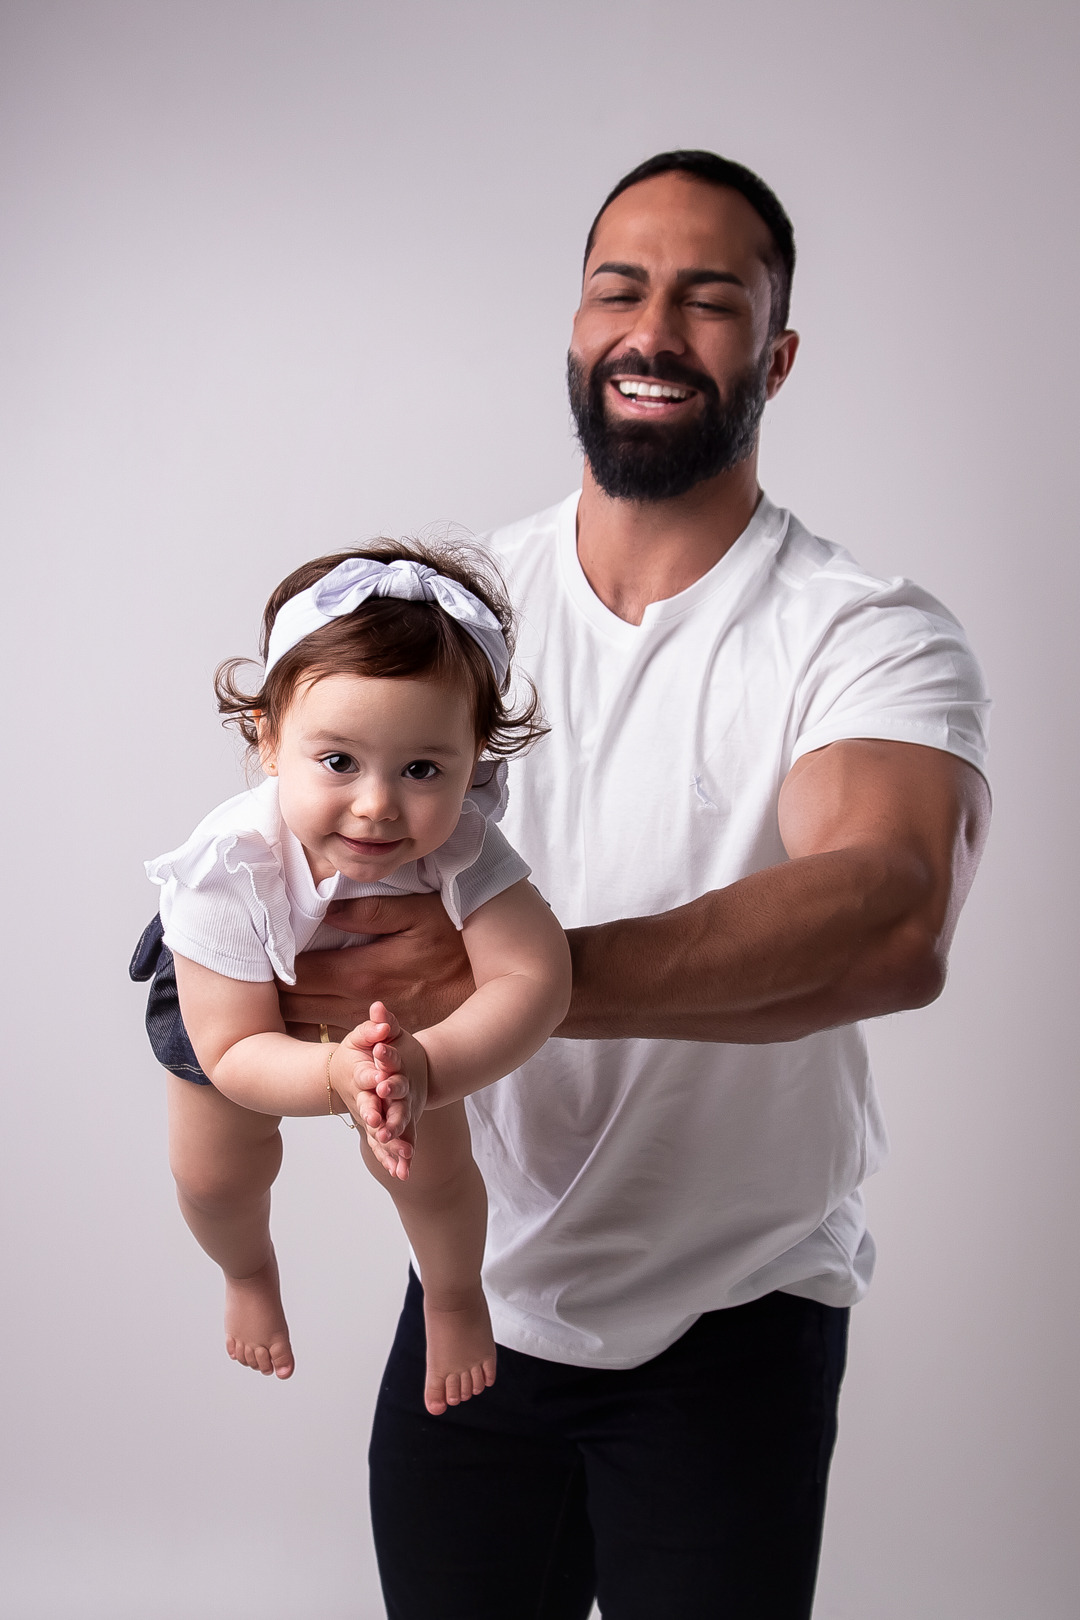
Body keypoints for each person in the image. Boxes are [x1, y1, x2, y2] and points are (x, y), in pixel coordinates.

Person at [271, 151, 991, 1618]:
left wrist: (504, 989)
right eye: (621, 289)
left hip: (735, 1315)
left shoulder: (865, 630)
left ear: (776, 355)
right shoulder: (448, 626)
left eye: (709, 300)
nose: (653, 330)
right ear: (577, 328)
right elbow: (301, 834)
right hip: (474, 1297)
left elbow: (893, 914)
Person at [138, 540, 571, 1415]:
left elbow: (535, 977)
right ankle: (248, 1271)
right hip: (236, 1002)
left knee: (433, 1171)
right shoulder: (227, 869)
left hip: (395, 1020)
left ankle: (453, 1296)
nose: (377, 806)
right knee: (215, 1174)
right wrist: (334, 1075)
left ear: (476, 760)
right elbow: (233, 1050)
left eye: (422, 769)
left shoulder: (460, 846)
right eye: (338, 761)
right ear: (269, 740)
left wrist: (426, 1066)